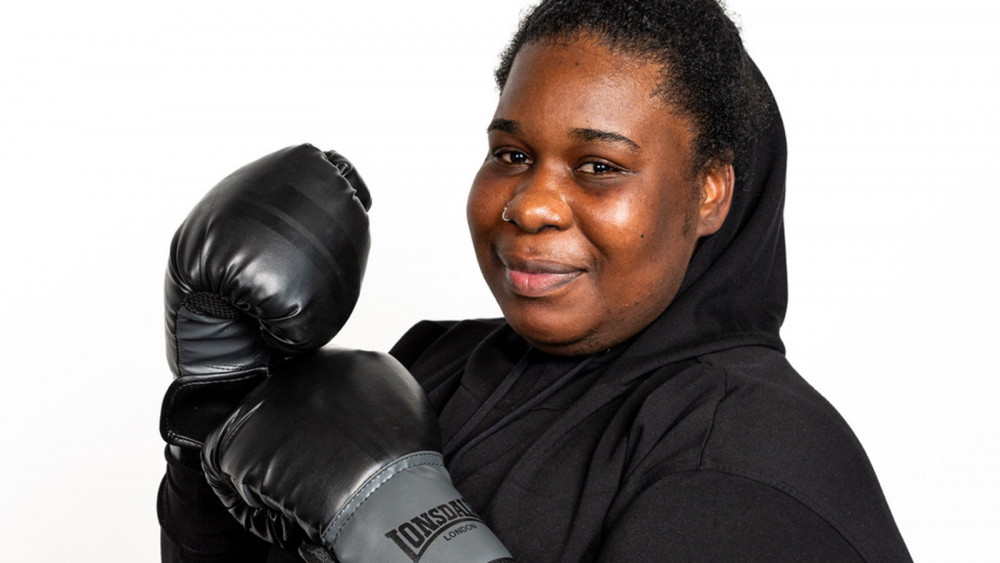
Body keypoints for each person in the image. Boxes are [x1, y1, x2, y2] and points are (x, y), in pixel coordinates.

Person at [158, 0, 912, 561]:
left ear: (709, 191)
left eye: (599, 166)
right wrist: (218, 410)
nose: (530, 204)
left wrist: (410, 534)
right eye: (512, 155)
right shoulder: (425, 369)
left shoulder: (752, 458)